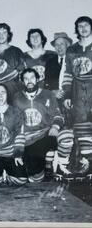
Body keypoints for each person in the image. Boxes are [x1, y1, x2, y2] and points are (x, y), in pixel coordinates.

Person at [13, 68, 64, 182]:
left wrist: (55, 127)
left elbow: (57, 115)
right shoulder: (17, 97)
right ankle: (41, 169)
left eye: (31, 78)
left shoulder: (48, 94)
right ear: (22, 81)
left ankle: (48, 165)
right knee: (29, 174)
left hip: (43, 134)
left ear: (37, 79)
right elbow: (14, 120)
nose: (29, 81)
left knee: (35, 159)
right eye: (26, 79)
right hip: (26, 138)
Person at [62, 16, 92, 180]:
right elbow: (67, 74)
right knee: (82, 128)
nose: (83, 29)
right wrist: (67, 94)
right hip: (78, 93)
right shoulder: (72, 50)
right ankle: (88, 163)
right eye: (80, 26)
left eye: (86, 25)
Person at [44, 32, 74, 180]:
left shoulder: (73, 60)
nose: (60, 47)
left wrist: (69, 95)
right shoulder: (50, 63)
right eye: (57, 44)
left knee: (68, 134)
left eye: (62, 44)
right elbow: (45, 85)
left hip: (71, 104)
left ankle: (65, 165)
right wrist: (52, 92)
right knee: (52, 131)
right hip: (54, 103)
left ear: (68, 45)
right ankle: (50, 166)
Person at [0, 23, 25, 103]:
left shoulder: (16, 51)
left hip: (13, 95)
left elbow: (22, 74)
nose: (1, 35)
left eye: (4, 32)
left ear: (8, 35)